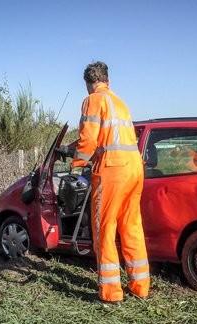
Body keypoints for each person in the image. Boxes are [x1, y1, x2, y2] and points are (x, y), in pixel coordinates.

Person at [71, 61, 149, 303]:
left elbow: (88, 140)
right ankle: (140, 286)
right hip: (134, 168)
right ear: (108, 81)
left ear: (88, 84)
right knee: (131, 227)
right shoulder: (120, 102)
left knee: (104, 230)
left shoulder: (93, 100)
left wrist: (76, 163)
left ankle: (112, 293)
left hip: (112, 170)